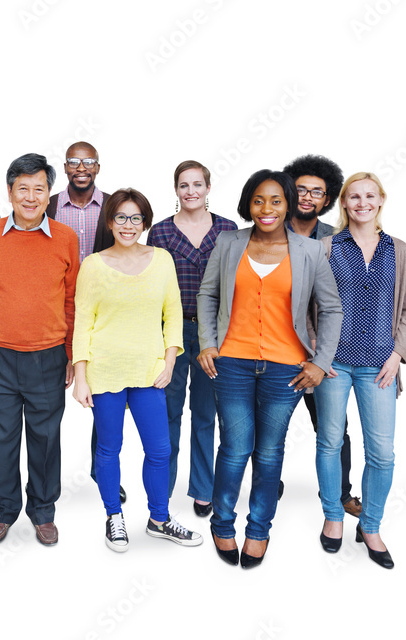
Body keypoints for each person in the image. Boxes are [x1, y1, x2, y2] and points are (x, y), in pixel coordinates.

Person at [197, 169, 342, 568]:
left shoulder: (310, 252)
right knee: (234, 448)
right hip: (232, 364)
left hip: (286, 369)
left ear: (288, 205)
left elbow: (331, 307)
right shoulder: (229, 242)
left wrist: (320, 362)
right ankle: (223, 524)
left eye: (276, 201)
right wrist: (207, 343)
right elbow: (208, 293)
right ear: (249, 203)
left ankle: (259, 529)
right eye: (259, 200)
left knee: (268, 453)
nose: (267, 208)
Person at [72, 188, 203, 552]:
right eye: (120, 218)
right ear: (109, 222)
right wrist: (81, 376)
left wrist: (171, 359)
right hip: (106, 370)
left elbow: (173, 312)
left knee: (160, 451)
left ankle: (159, 519)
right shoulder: (93, 265)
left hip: (149, 369)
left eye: (136, 218)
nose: (128, 226)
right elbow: (83, 323)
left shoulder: (161, 259)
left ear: (145, 222)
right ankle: (114, 517)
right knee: (109, 449)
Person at [314, 172, 406, 569]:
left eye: (369, 196)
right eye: (354, 196)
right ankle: (334, 517)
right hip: (334, 366)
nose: (362, 203)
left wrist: (398, 355)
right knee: (329, 443)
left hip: (380, 368)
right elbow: (307, 307)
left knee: (382, 453)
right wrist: (320, 358)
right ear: (343, 203)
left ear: (380, 200)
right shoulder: (326, 247)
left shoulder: (399, 250)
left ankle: (370, 525)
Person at [0, 153, 79, 546]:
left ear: (50, 194)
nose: (31, 197)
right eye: (23, 189)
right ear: (9, 192)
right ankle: (2, 511)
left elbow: (71, 301)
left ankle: (43, 511)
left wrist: (70, 353)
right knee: (0, 437)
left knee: (45, 436)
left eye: (39, 189)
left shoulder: (67, 238)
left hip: (48, 356)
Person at [147, 160, 237, 517]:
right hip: (171, 330)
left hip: (214, 333)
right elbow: (152, 285)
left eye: (197, 184)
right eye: (184, 185)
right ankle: (162, 490)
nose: (191, 191)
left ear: (208, 188)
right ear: (176, 190)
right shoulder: (161, 233)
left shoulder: (229, 230)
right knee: (167, 412)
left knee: (205, 413)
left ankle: (203, 489)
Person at [45, 141, 124, 503]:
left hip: (104, 315)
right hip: (53, 312)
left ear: (98, 167)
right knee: (48, 398)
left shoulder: (115, 208)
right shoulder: (44, 205)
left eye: (88, 161)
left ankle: (102, 466)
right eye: (74, 161)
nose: (81, 167)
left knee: (106, 393)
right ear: (64, 167)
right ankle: (46, 478)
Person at [280, 154, 358, 516]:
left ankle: (341, 494)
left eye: (317, 192)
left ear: (328, 200)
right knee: (267, 429)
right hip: (275, 348)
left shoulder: (337, 241)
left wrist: (325, 353)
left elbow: (340, 303)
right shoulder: (270, 232)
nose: (308, 197)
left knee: (333, 429)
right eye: (301, 190)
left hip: (321, 354)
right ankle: (268, 483)